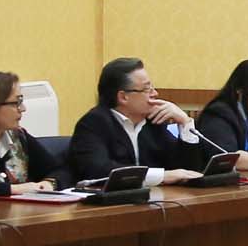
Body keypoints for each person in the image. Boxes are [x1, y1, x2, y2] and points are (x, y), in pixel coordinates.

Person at [68, 57, 220, 185]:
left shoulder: (153, 122)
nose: (155, 93)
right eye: (147, 89)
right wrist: (162, 176)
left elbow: (187, 170)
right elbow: (98, 170)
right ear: (123, 97)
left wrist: (185, 122)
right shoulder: (94, 123)